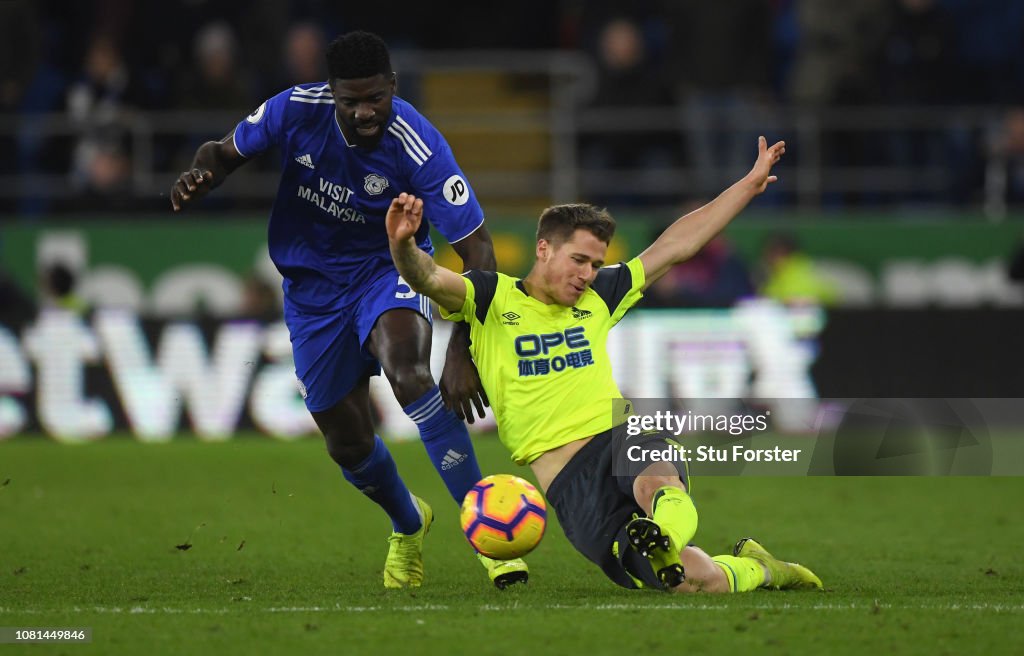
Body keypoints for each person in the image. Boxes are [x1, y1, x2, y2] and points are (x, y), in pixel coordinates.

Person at [386, 136, 824, 592]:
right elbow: (429, 277)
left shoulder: (599, 296)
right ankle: (763, 568)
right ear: (543, 250)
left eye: (595, 264)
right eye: (578, 260)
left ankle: (664, 537)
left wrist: (747, 187)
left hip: (618, 435)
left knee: (654, 480)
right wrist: (402, 247)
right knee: (693, 583)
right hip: (569, 486)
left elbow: (678, 244)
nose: (586, 274)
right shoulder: (491, 297)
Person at [169, 31, 527, 590]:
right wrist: (201, 176)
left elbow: (478, 249)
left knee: (409, 371)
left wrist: (464, 347)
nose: (364, 113)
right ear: (330, 91)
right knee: (348, 441)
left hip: (389, 269)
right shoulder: (294, 108)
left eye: (375, 99)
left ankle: (491, 543)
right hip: (312, 291)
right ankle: (409, 525)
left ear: (393, 87)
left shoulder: (418, 144)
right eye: (350, 101)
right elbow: (221, 153)